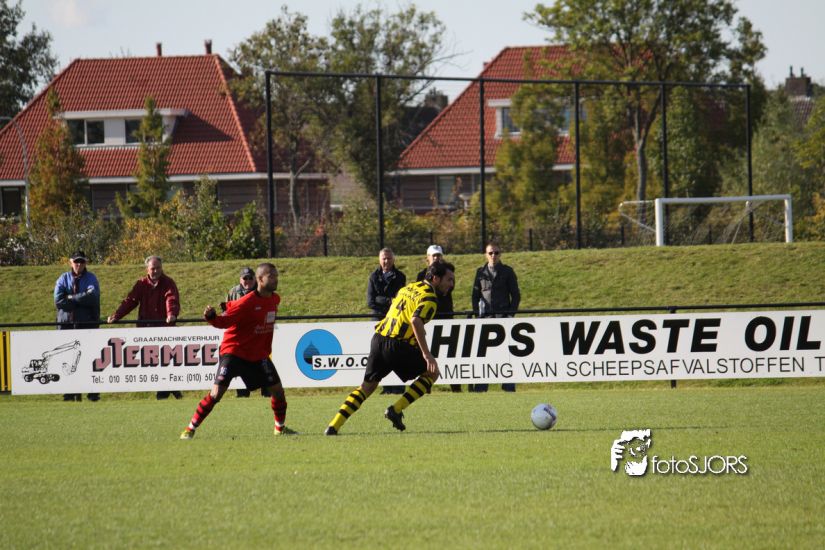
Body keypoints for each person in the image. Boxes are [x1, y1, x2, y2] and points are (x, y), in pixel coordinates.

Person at [325, 261, 455, 436]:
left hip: (379, 339)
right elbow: (415, 321)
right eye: (449, 279)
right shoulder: (430, 299)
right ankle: (396, 409)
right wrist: (427, 354)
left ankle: (333, 426)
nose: (451, 284)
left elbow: (400, 312)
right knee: (432, 373)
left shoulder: (408, 288)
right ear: (436, 279)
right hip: (397, 345)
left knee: (366, 387)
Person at [180, 262, 296, 439]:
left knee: (278, 391)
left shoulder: (275, 299)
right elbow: (224, 321)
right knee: (216, 394)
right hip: (234, 352)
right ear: (260, 279)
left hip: (258, 355)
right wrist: (211, 317)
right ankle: (190, 428)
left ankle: (279, 429)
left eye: (276, 276)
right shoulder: (246, 302)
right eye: (271, 276)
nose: (275, 279)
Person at [107, 255, 182, 400]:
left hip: (164, 329)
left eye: (158, 268)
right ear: (147, 269)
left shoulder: (168, 282)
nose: (156, 271)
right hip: (146, 330)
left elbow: (171, 299)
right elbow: (130, 301)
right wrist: (117, 316)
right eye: (153, 268)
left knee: (165, 362)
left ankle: (164, 392)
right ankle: (172, 389)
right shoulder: (141, 284)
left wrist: (171, 314)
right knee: (153, 363)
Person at [470, 243, 521, 392]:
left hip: (503, 320)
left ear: (500, 254)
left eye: (496, 253)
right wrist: (478, 316)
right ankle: (481, 387)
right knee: (484, 355)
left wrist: (510, 315)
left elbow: (516, 295)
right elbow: (475, 296)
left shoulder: (507, 271)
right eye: (490, 253)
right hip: (485, 320)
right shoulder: (480, 272)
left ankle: (508, 387)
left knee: (506, 355)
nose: (493, 256)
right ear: (486, 254)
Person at [54, 250, 101, 402]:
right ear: (71, 262)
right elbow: (58, 301)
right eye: (76, 261)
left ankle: (92, 392)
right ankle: (69, 393)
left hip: (87, 324)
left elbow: (92, 297)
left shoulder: (91, 278)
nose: (79, 264)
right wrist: (80, 299)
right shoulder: (63, 278)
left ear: (86, 262)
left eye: (82, 261)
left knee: (89, 359)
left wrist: (71, 298)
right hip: (66, 325)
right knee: (66, 359)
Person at [416, 244, 461, 393]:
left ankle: (456, 388)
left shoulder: (448, 273)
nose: (436, 258)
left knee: (451, 354)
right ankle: (426, 388)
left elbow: (448, 289)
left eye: (439, 255)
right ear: (427, 258)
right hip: (428, 319)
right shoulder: (421, 275)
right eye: (433, 255)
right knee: (426, 355)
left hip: (446, 317)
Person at [367, 247, 406, 394]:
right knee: (380, 355)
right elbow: (370, 301)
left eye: (389, 258)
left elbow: (400, 299)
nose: (386, 261)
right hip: (378, 321)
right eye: (384, 258)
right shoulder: (373, 277)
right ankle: (385, 387)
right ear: (379, 259)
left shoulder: (400, 277)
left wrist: (382, 300)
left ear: (393, 259)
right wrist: (389, 301)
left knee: (396, 353)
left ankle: (398, 386)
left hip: (395, 320)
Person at [225, 266, 259, 398]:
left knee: (260, 362)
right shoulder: (233, 292)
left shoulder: (261, 291)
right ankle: (242, 393)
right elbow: (226, 310)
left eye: (250, 278)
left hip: (257, 333)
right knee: (239, 363)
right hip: (239, 334)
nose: (248, 281)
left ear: (255, 279)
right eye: (245, 278)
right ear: (240, 279)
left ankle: (266, 391)